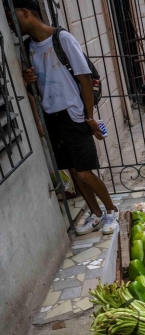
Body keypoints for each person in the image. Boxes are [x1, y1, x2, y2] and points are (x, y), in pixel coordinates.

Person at [7, 0, 119, 235]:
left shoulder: (62, 38)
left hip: (73, 114)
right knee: (72, 170)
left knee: (84, 171)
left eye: (11, 15)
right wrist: (29, 81)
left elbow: (85, 79)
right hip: (51, 116)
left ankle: (111, 210)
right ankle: (96, 214)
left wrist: (88, 116)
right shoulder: (27, 48)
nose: (9, 23)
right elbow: (36, 88)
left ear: (26, 13)